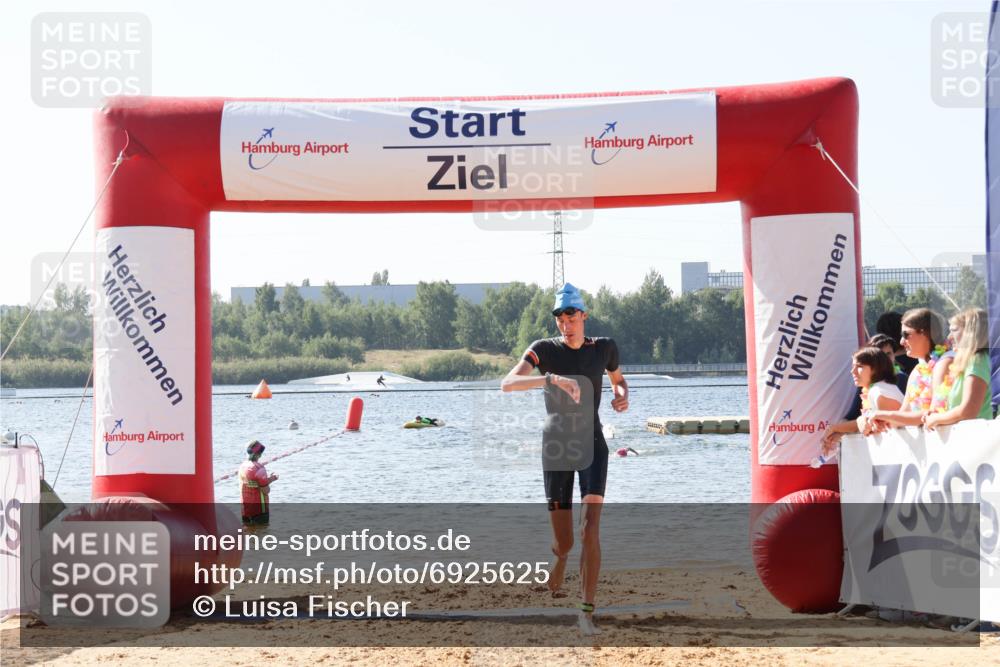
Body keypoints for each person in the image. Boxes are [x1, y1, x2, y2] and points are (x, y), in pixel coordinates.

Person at [501, 283, 628, 636]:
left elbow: (618, 380)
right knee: (565, 541)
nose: (566, 324)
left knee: (589, 529)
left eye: (571, 318)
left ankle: (586, 611)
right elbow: (507, 383)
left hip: (592, 444)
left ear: (584, 316)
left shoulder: (604, 348)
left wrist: (621, 395)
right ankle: (559, 556)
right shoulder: (543, 350)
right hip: (556, 446)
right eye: (560, 319)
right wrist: (552, 379)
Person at [867, 308, 949, 434]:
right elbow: (904, 415)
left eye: (906, 335)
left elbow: (935, 412)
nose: (901, 342)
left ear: (925, 333)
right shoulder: (917, 371)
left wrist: (883, 415)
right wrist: (874, 422)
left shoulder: (946, 362)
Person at [820, 346, 903, 456]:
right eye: (853, 367)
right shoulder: (876, 389)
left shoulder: (879, 391)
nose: (852, 371)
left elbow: (884, 430)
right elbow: (867, 424)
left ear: (876, 368)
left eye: (859, 366)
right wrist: (838, 432)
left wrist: (835, 429)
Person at [924, 308, 992, 429]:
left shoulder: (978, 360)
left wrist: (935, 419)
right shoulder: (970, 361)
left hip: (977, 437)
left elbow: (968, 411)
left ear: (970, 332)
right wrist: (937, 414)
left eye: (954, 330)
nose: (949, 337)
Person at [239, 440, 278, 525]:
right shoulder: (259, 469)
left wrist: (269, 479)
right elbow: (265, 490)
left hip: (245, 509)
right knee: (262, 531)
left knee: (247, 531)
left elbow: (253, 483)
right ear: (259, 454)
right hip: (260, 510)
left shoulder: (242, 466)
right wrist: (272, 479)